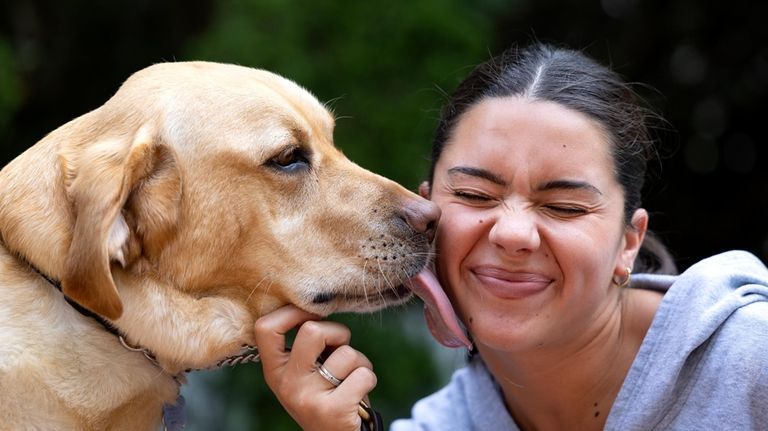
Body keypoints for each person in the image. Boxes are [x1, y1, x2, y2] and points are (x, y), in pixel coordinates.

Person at [253, 42, 768, 430]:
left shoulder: (752, 362)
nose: (514, 234)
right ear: (427, 209)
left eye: (563, 206)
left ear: (628, 241)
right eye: (476, 196)